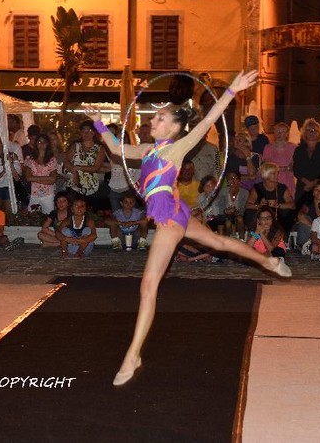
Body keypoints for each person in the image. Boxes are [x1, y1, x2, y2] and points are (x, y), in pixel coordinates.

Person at [84, 70, 290, 387]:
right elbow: (114, 148)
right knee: (218, 243)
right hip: (176, 211)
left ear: (176, 128)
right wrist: (99, 121)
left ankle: (132, 356)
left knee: (148, 287)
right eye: (155, 117)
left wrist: (232, 90)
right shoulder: (148, 151)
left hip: (168, 219)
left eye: (161, 118)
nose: (154, 121)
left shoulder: (174, 148)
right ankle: (269, 262)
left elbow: (207, 122)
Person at [244, 162, 296, 233]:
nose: (277, 175)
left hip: (277, 217)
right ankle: (255, 236)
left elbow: (292, 205)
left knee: (287, 213)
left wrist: (277, 205)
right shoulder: (257, 187)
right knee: (249, 213)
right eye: (274, 173)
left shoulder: (282, 187)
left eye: (277, 173)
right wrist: (259, 206)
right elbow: (247, 205)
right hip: (262, 218)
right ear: (266, 175)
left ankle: (281, 237)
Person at [64, 120, 107, 203]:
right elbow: (66, 161)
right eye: (83, 131)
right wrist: (74, 171)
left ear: (94, 133)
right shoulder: (75, 145)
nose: (86, 133)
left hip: (90, 184)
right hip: (74, 182)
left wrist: (79, 168)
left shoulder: (100, 148)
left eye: (89, 131)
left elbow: (96, 167)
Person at [292, 118, 320, 204]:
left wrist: (313, 183)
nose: (312, 132)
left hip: (319, 187)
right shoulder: (298, 149)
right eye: (309, 130)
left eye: (314, 130)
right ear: (304, 132)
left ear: (319, 133)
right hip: (303, 186)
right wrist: (307, 183)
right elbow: (296, 168)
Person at [0, 132, 22, 213]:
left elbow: (17, 178)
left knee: (11, 216)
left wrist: (10, 164)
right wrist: (2, 173)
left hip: (9, 188)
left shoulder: (12, 156)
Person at [24, 133, 57, 214]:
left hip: (48, 195)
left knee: (49, 218)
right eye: (39, 142)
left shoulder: (52, 160)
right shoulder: (30, 159)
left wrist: (34, 178)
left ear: (47, 144)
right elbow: (28, 177)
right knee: (32, 219)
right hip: (34, 194)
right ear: (36, 144)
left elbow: (53, 180)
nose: (41, 144)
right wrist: (47, 178)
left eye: (44, 142)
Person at [296, 179, 320, 255]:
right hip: (311, 236)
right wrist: (315, 229)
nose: (319, 192)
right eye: (316, 190)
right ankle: (306, 246)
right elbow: (300, 215)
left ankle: (317, 246)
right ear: (313, 192)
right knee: (304, 218)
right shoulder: (308, 203)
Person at [212, 170, 249, 239]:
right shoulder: (222, 192)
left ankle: (242, 239)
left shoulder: (245, 193)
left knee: (240, 219)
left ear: (239, 180)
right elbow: (220, 209)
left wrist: (235, 212)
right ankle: (228, 240)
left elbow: (243, 209)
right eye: (231, 179)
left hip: (238, 215)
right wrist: (226, 211)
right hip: (225, 215)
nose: (233, 181)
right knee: (228, 221)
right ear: (227, 181)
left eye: (236, 178)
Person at [262, 122, 296, 196]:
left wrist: (283, 168)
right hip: (272, 181)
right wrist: (285, 168)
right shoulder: (268, 147)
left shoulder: (293, 147)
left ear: (287, 134)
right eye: (277, 131)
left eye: (282, 132)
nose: (279, 134)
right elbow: (266, 167)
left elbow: (296, 166)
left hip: (288, 182)